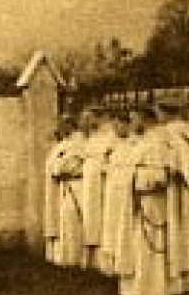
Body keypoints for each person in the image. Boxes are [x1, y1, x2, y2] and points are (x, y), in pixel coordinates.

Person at [114, 106, 189, 295]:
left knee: (152, 247)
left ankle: (154, 292)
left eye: (133, 119)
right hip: (141, 202)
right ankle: (143, 290)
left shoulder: (159, 143)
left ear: (144, 120)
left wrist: (136, 180)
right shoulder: (146, 142)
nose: (131, 123)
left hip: (153, 204)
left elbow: (162, 177)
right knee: (142, 246)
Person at [156, 101, 189, 294]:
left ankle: (175, 280)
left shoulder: (171, 134)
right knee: (185, 232)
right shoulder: (188, 135)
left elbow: (174, 164)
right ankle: (186, 279)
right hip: (185, 188)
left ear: (165, 113)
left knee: (175, 231)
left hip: (175, 189)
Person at [77, 108, 118, 271]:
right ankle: (91, 259)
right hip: (90, 183)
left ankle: (105, 262)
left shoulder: (111, 137)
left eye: (89, 118)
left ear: (99, 118)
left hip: (102, 183)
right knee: (90, 216)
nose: (86, 122)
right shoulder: (92, 138)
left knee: (102, 218)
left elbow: (110, 159)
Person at [96, 110, 135, 276]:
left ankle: (127, 264)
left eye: (119, 124)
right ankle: (112, 266)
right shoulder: (114, 146)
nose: (116, 129)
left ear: (127, 124)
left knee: (124, 228)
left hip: (126, 192)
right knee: (112, 228)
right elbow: (105, 167)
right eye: (114, 125)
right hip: (113, 191)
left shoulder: (135, 144)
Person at [43, 117, 86, 267]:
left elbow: (64, 167)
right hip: (62, 186)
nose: (60, 127)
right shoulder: (63, 144)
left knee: (72, 220)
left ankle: (74, 258)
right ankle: (64, 257)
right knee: (63, 221)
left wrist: (59, 168)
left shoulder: (78, 143)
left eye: (63, 124)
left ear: (71, 125)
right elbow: (54, 166)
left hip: (75, 187)